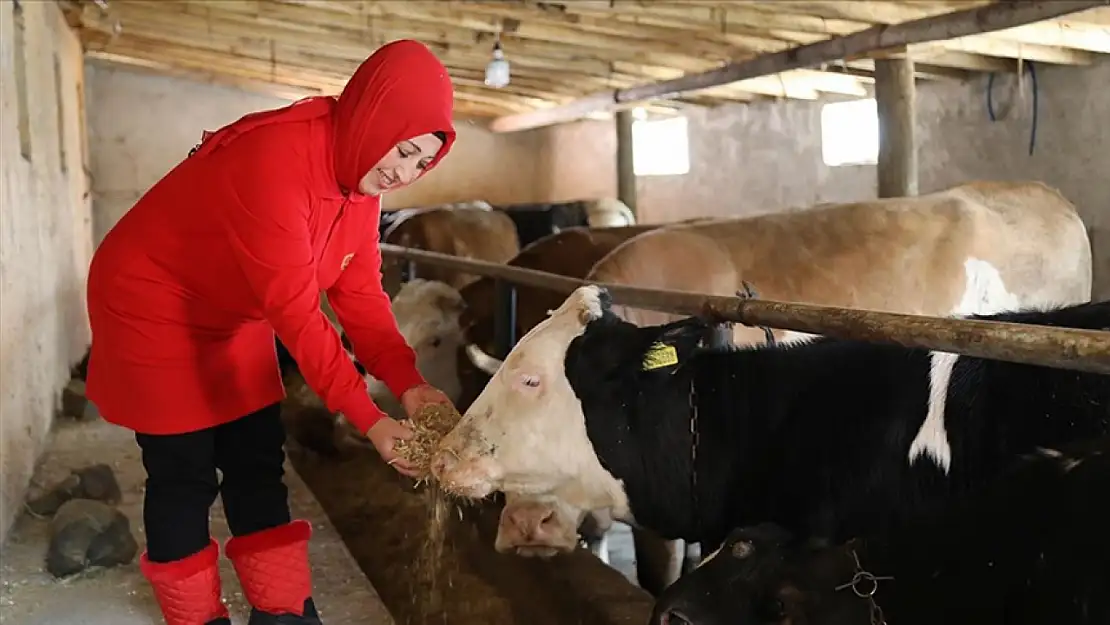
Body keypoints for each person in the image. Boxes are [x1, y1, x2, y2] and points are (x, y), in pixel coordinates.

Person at [83, 40, 459, 625]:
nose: (403, 171)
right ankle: (197, 619)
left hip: (234, 304)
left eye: (420, 163)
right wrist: (369, 419)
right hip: (152, 299)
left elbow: (358, 296)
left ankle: (283, 611)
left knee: (256, 456)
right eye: (404, 150)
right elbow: (299, 316)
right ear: (372, 116)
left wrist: (409, 385)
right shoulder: (275, 161)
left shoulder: (361, 183)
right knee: (184, 470)